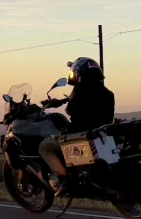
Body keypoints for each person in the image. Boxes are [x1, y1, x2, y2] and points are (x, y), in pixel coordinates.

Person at [39, 57, 116, 193]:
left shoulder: (80, 90)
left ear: (79, 74)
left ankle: (66, 179)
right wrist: (65, 100)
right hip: (100, 137)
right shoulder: (108, 93)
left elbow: (70, 110)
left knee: (45, 146)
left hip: (80, 137)